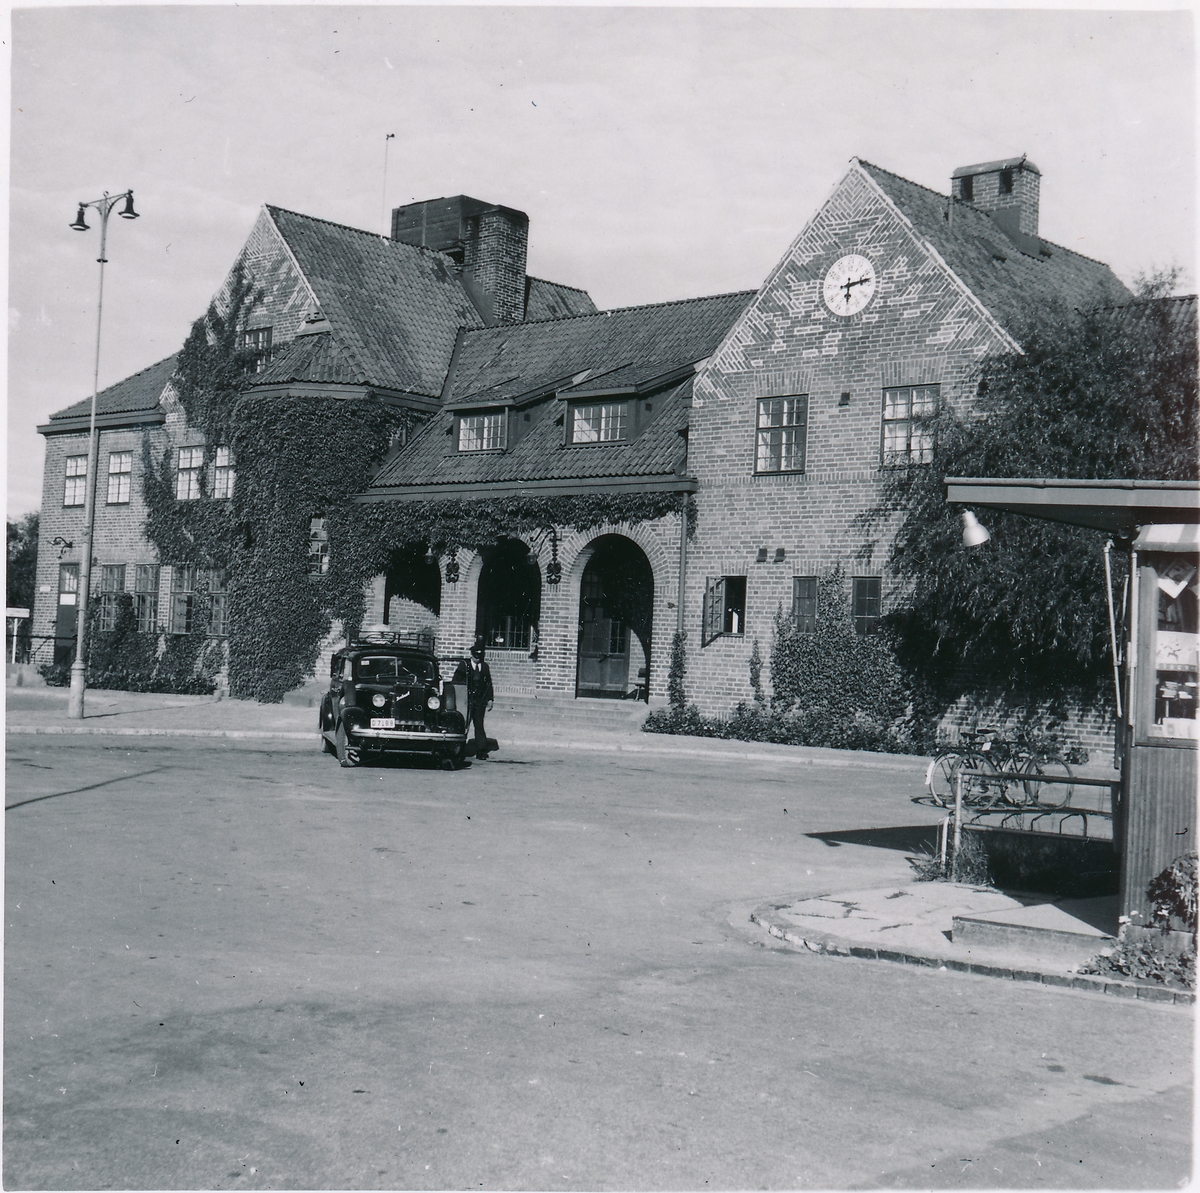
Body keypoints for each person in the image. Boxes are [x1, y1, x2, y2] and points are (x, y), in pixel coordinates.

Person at [465, 639, 495, 760]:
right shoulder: (465, 665)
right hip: (466, 701)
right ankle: (459, 748)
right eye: (475, 656)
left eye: (479, 656)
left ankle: (481, 750)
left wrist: (490, 699)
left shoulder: (484, 667)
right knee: (464, 725)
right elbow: (457, 681)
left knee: (479, 725)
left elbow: (488, 684)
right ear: (471, 655)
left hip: (479, 702)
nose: (477, 659)